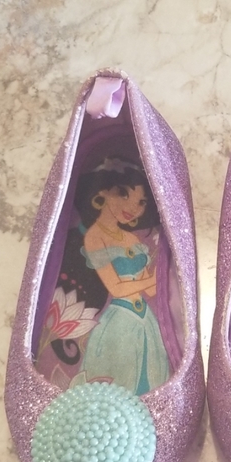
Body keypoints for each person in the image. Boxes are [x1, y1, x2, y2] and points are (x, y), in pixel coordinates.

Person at [54, 157, 169, 395]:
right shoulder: (95, 237)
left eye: (141, 202)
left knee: (150, 374)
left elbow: (149, 288)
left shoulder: (131, 238)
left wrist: (156, 280)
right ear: (103, 191)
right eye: (123, 194)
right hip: (119, 319)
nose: (133, 207)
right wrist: (153, 279)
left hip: (146, 318)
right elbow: (116, 288)